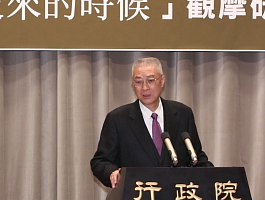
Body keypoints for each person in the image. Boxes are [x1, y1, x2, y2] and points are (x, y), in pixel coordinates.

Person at [91, 57, 213, 188]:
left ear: (162, 81)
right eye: (138, 82)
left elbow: (196, 156)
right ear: (133, 84)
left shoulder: (183, 114)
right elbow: (100, 161)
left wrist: (215, 175)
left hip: (176, 196)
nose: (144, 88)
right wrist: (111, 172)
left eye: (150, 81)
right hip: (137, 195)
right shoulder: (118, 119)